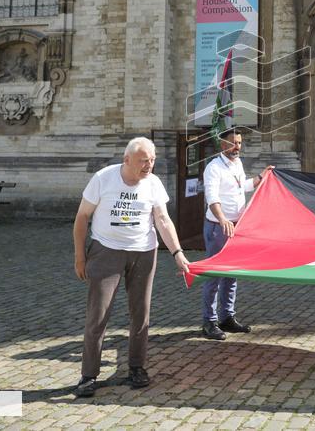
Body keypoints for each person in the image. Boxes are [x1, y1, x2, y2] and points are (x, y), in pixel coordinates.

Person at [71, 137, 191, 398]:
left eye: (152, 160)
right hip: (106, 252)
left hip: (144, 253)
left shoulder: (154, 184)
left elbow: (163, 219)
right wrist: (80, 257)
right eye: (143, 161)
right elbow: (82, 217)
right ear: (127, 160)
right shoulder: (104, 179)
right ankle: (88, 375)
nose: (149, 165)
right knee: (98, 315)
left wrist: (178, 253)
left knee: (141, 314)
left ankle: (137, 367)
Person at [201, 128, 273, 340]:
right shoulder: (213, 168)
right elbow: (212, 197)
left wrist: (261, 177)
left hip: (237, 226)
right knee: (214, 274)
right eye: (234, 143)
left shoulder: (237, 164)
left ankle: (227, 318)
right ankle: (209, 321)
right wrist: (223, 219)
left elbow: (242, 188)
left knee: (232, 274)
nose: (238, 147)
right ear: (223, 144)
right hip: (218, 228)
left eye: (240, 143)